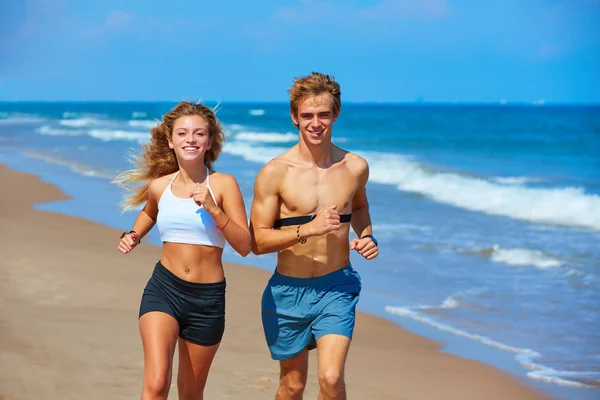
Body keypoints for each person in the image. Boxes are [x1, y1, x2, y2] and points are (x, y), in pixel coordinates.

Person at [249, 72, 379, 400]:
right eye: (307, 115)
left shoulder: (355, 167)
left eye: (323, 114)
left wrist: (367, 236)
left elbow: (360, 208)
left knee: (331, 379)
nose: (315, 123)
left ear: (335, 114)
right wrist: (308, 228)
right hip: (287, 291)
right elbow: (258, 242)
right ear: (295, 117)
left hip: (337, 286)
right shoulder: (274, 172)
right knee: (292, 387)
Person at [114, 102, 251, 400]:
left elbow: (244, 246)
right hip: (164, 289)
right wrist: (134, 234)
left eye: (199, 133)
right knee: (156, 384)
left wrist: (215, 209)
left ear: (209, 142)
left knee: (190, 393)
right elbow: (150, 213)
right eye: (183, 133)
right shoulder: (160, 186)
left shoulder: (224, 185)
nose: (191, 139)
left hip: (207, 300)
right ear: (170, 141)